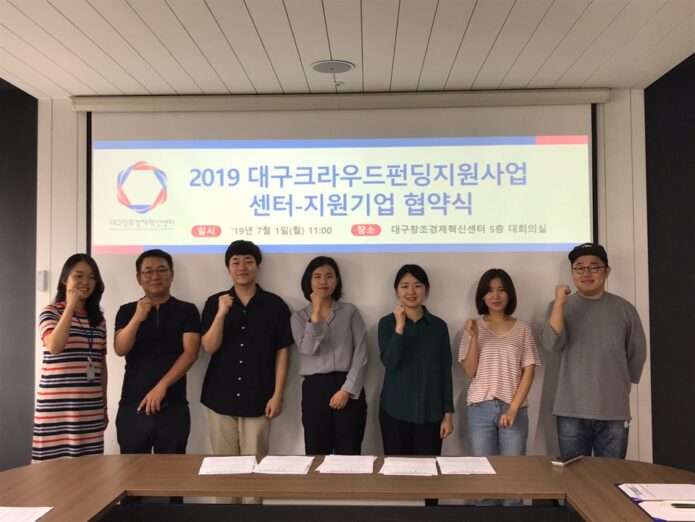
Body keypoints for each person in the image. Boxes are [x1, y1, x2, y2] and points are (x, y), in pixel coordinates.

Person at [200, 240, 292, 503]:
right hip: (220, 397)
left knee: (255, 470)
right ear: (228, 268)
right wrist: (221, 314)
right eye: (236, 262)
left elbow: (283, 352)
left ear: (258, 266)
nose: (242, 267)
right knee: (223, 470)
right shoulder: (214, 302)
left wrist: (277, 394)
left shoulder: (274, 305)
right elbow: (209, 347)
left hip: (259, 397)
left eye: (248, 261)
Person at [539, 242, 647, 458]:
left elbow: (637, 352)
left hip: (613, 410)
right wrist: (559, 304)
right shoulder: (559, 307)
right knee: (574, 474)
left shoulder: (625, 309)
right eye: (579, 267)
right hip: (570, 409)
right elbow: (551, 344)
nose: (586, 273)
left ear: (607, 271)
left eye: (594, 267)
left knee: (612, 474)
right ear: (572, 272)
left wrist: (620, 382)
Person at [459, 268, 540, 506]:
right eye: (490, 290)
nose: (495, 296)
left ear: (509, 294)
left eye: (501, 290)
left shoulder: (523, 328)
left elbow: (529, 371)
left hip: (514, 409)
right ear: (482, 295)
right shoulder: (472, 327)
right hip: (480, 409)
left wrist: (513, 409)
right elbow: (469, 371)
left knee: (514, 482)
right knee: (483, 481)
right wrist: (475, 337)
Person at [114, 249, 201, 461]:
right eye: (148, 271)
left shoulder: (187, 310)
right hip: (132, 407)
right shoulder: (126, 311)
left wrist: (161, 386)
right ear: (139, 278)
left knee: (172, 475)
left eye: (162, 270)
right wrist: (137, 318)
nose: (155, 276)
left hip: (173, 408)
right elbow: (120, 349)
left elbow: (190, 353)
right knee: (132, 473)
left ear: (172, 274)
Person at [33, 254, 108, 461]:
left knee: (89, 470)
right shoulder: (50, 312)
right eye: (79, 276)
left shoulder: (98, 320)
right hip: (56, 409)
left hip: (90, 408)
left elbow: (101, 365)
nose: (86, 282)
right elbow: (55, 346)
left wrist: (104, 406)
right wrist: (70, 306)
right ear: (65, 279)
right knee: (51, 472)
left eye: (92, 277)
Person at [290, 256, 368, 455]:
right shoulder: (298, 317)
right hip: (315, 389)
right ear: (309, 281)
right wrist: (315, 314)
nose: (323, 281)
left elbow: (361, 353)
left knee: (349, 452)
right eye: (317, 276)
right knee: (317, 452)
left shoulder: (350, 311)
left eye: (329, 276)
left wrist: (346, 390)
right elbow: (308, 349)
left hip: (348, 387)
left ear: (337, 280)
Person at [378, 264, 454, 457]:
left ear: (426, 290)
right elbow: (390, 362)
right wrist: (399, 327)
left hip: (431, 413)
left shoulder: (439, 327)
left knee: (428, 470)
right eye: (404, 286)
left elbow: (445, 371)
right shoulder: (386, 323)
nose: (411, 292)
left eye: (418, 285)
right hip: (395, 411)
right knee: (396, 469)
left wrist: (448, 414)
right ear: (396, 290)